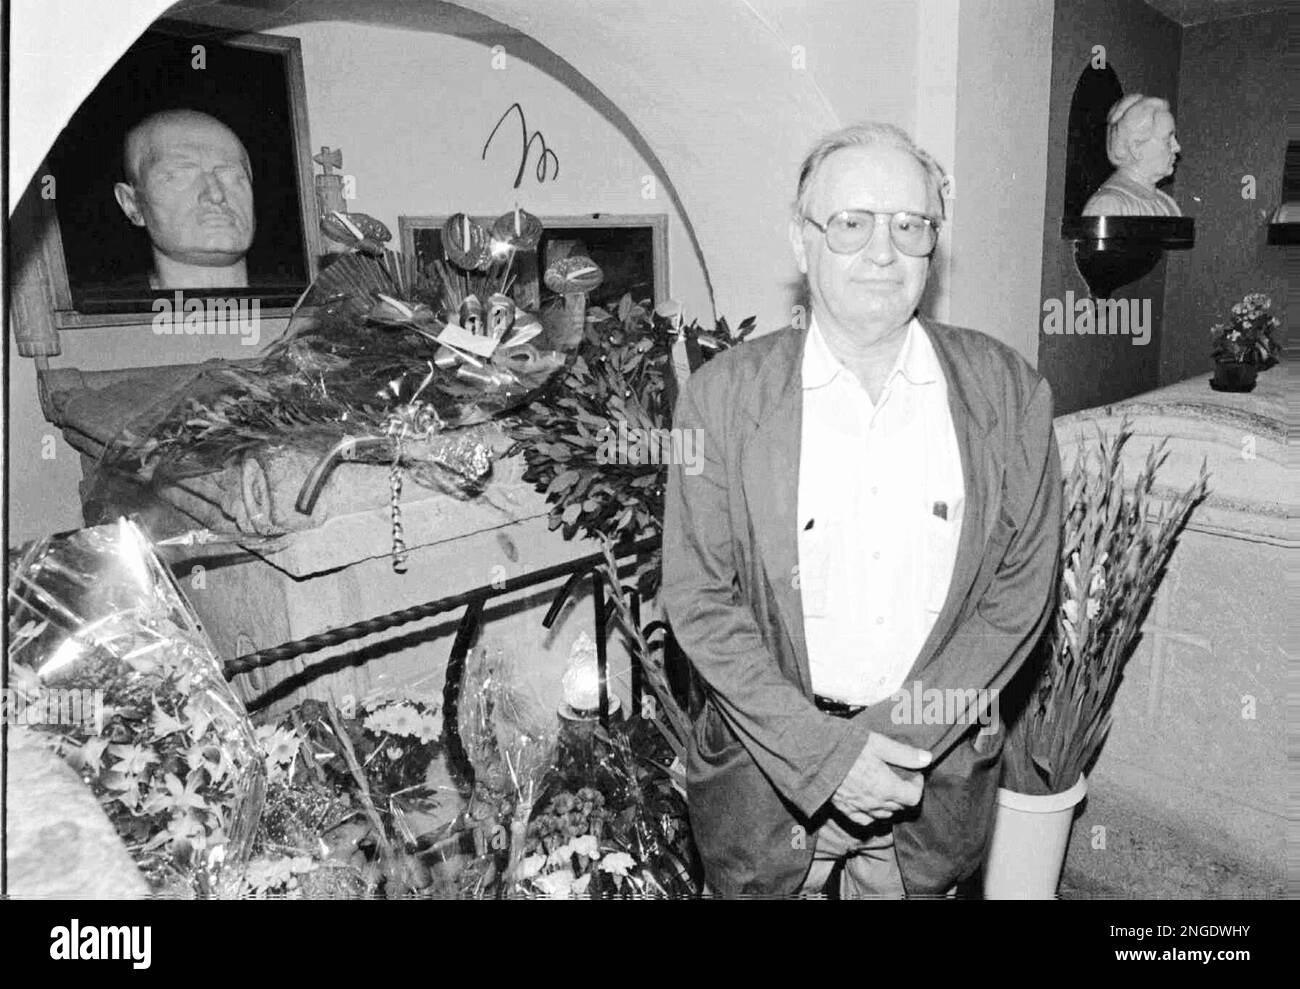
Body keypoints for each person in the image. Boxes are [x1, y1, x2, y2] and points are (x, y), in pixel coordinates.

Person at [662, 122, 1062, 898]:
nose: (883, 251)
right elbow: (700, 598)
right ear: (799, 241)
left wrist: (890, 748)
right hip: (763, 785)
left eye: (910, 225)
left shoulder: (1010, 391)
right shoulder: (719, 399)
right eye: (851, 222)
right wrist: (825, 758)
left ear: (932, 246)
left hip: (929, 787)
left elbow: (1020, 593)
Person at [113, 109, 256, 289]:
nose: (215, 195)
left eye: (232, 178)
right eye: (179, 177)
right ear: (132, 204)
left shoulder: (294, 305)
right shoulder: (106, 313)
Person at [1082, 95, 1181, 217]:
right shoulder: (1108, 205)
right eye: (1167, 139)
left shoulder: (1167, 204)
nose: (1176, 147)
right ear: (1135, 148)